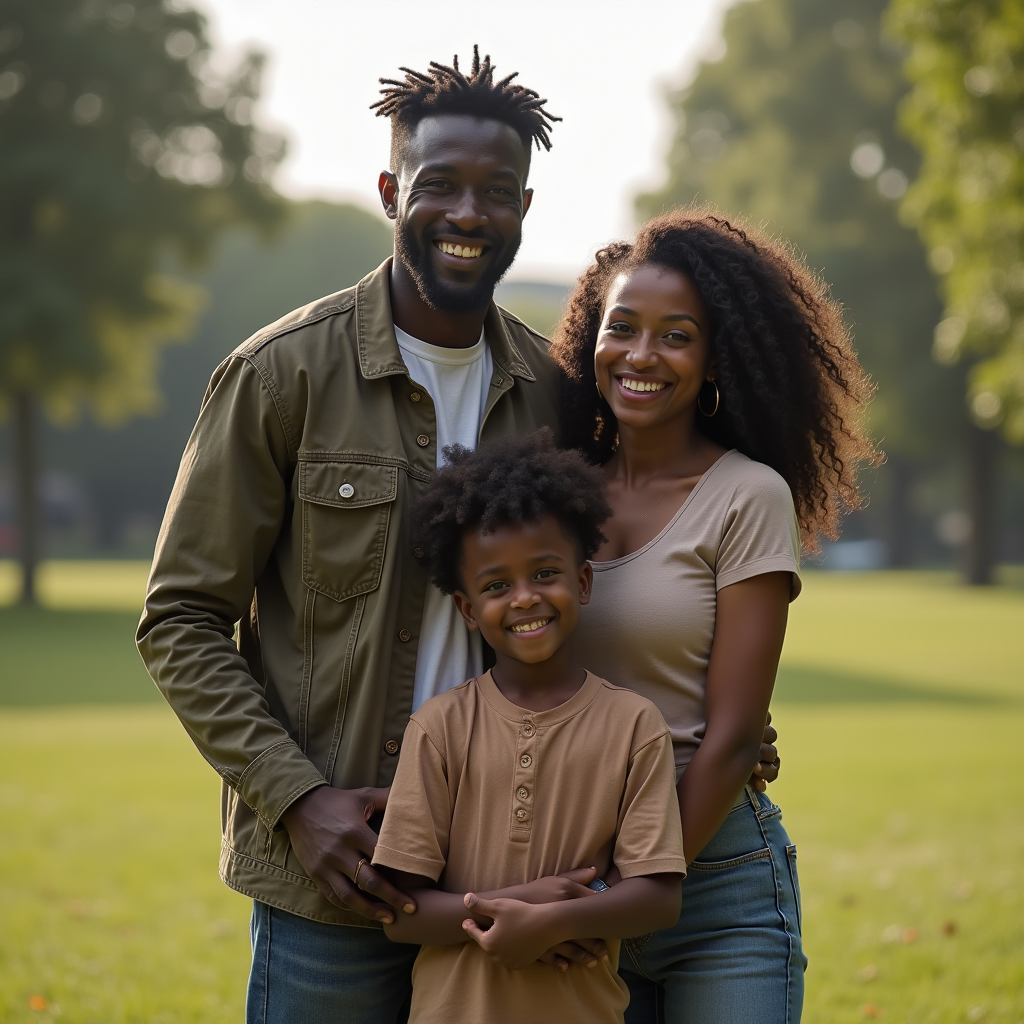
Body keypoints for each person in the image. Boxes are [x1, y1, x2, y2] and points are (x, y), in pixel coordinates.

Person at [136, 48, 780, 1022]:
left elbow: (618, 569)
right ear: (393, 189)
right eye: (439, 185)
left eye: (497, 191)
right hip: (337, 882)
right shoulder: (280, 378)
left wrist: (725, 718)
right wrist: (297, 799)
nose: (468, 214)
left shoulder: (553, 397)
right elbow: (179, 619)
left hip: (514, 878)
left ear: (525, 207)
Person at [550, 208, 877, 1023]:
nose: (641, 355)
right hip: (567, 869)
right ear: (592, 336)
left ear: (715, 357)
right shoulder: (549, 496)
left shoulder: (746, 496)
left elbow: (732, 738)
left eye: (677, 335)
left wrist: (629, 891)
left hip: (716, 882)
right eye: (621, 327)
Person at [370, 431, 686, 1024]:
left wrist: (554, 921)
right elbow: (404, 914)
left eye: (544, 573)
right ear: (467, 609)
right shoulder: (439, 728)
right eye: (496, 586)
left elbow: (658, 897)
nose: (523, 599)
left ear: (583, 582)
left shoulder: (634, 725)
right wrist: (523, 905)